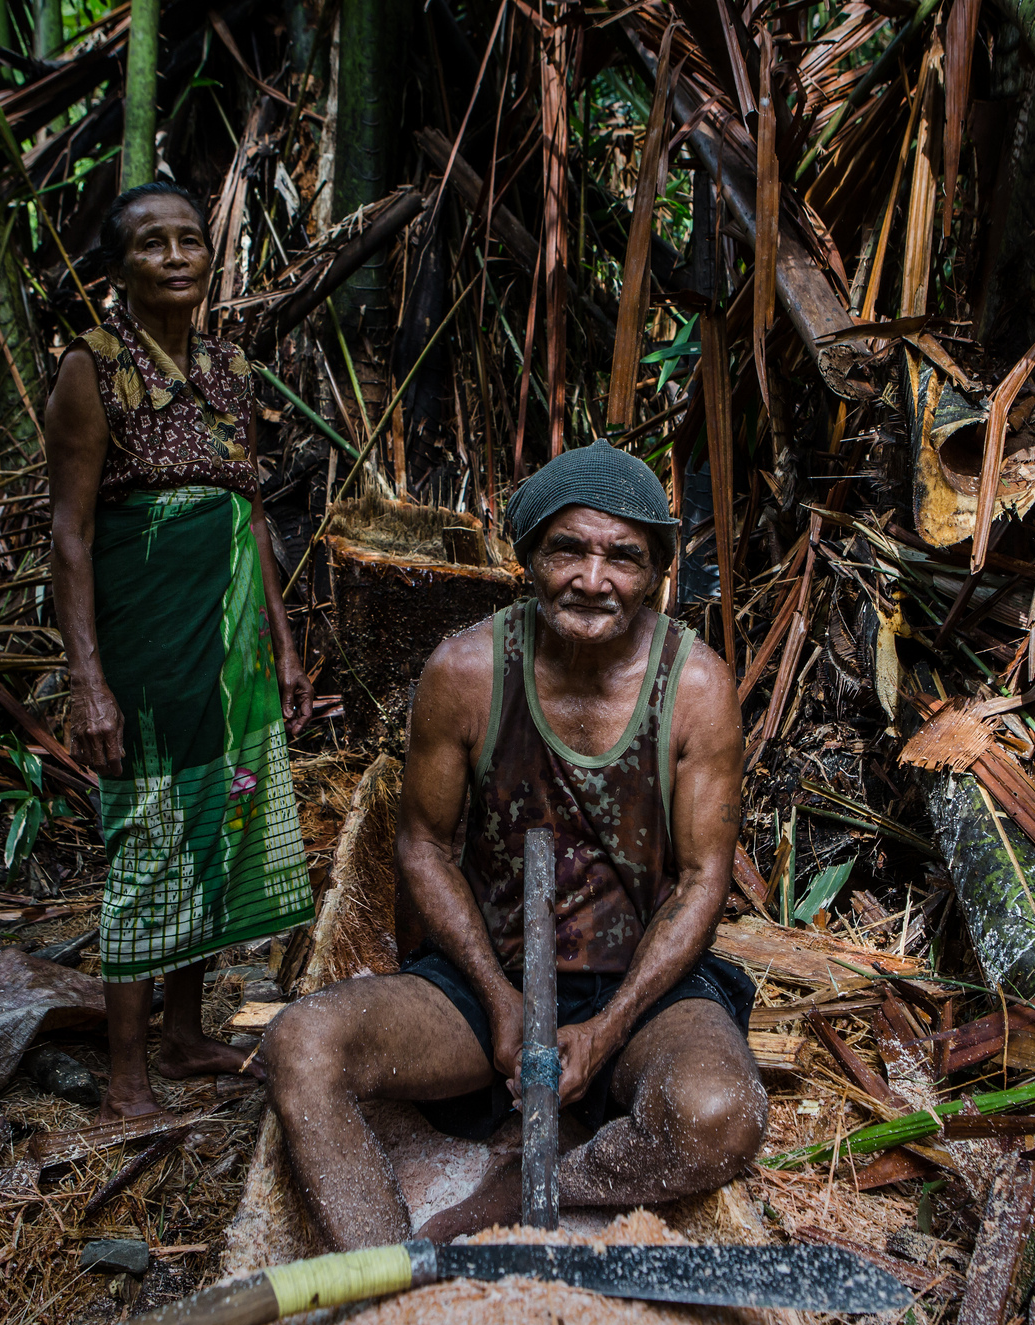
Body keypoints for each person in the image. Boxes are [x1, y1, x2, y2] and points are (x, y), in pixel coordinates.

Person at [265, 438, 765, 1251]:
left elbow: (703, 878)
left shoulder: (697, 687)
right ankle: (387, 1273)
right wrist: (500, 998)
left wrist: (608, 1027)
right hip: (486, 981)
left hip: (640, 991)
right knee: (300, 1044)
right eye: (568, 549)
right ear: (530, 556)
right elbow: (423, 844)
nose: (593, 579)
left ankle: (543, 1182)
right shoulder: (465, 671)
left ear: (656, 573)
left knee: (719, 1115)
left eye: (623, 557)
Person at [45, 182, 315, 1121]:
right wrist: (89, 682)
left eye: (190, 240)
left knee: (217, 821)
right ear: (118, 268)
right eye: (150, 244)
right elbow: (70, 532)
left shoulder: (229, 366)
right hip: (147, 644)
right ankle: (127, 1077)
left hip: (230, 640)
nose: (174, 257)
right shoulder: (92, 367)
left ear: (210, 255)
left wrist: (283, 642)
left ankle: (185, 1034)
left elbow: (249, 512)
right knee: (151, 833)